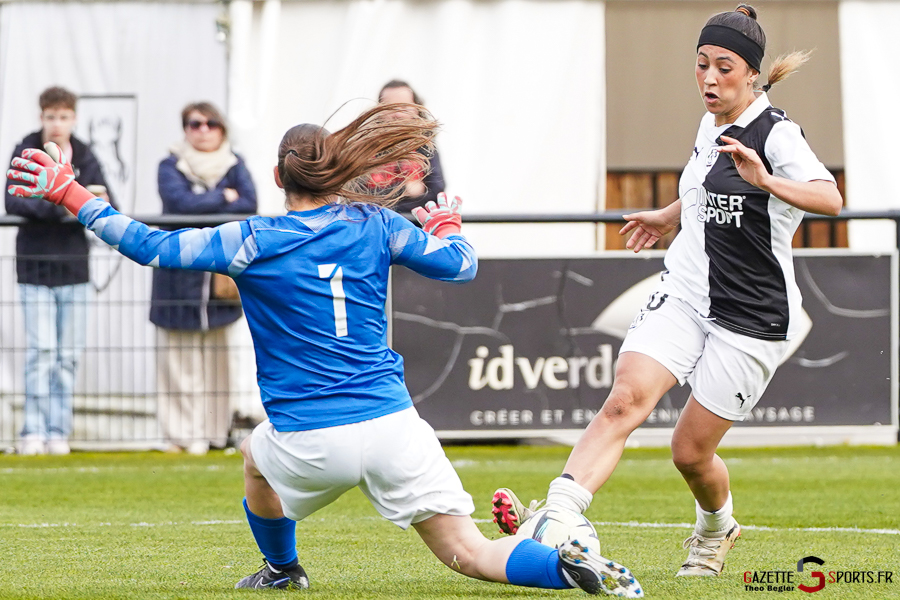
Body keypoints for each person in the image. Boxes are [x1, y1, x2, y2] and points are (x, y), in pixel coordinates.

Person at [7, 103, 643, 598]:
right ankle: (562, 569)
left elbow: (151, 246)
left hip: (311, 436)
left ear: (278, 176)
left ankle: (283, 571)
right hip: (395, 425)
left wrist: (72, 194)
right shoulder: (377, 224)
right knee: (470, 553)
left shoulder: (253, 237)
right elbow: (460, 265)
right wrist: (445, 224)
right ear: (334, 170)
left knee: (256, 458)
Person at [491, 3, 841, 578]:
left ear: (752, 72)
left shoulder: (777, 133)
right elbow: (708, 183)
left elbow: (829, 198)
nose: (708, 78)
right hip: (685, 291)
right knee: (625, 399)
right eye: (701, 64)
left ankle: (715, 529)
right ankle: (557, 515)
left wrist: (766, 179)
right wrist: (672, 215)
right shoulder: (710, 124)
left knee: (690, 453)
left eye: (723, 67)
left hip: (750, 314)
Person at [4, 86, 116, 456]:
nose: (57, 123)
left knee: (67, 354)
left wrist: (56, 198)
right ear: (41, 118)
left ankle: (58, 431)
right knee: (41, 351)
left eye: (64, 116)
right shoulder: (25, 150)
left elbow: (103, 198)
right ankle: (32, 430)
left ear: (74, 118)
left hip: (75, 268)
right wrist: (65, 202)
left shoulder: (85, 154)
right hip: (34, 267)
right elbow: (14, 198)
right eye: (50, 116)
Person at [152, 102, 257, 455]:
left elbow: (250, 203)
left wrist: (206, 203)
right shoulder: (170, 164)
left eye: (211, 123)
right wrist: (221, 198)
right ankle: (182, 436)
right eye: (194, 124)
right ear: (185, 129)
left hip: (220, 279)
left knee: (219, 361)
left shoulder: (235, 164)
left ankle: (214, 434)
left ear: (222, 129)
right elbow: (177, 202)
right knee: (178, 362)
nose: (203, 129)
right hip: (177, 279)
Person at [370, 80, 446, 215]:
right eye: (391, 107)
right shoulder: (365, 148)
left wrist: (386, 197)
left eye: (404, 107)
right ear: (378, 110)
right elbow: (358, 196)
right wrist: (405, 189)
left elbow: (436, 193)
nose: (398, 114)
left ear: (417, 108)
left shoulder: (426, 145)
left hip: (415, 226)